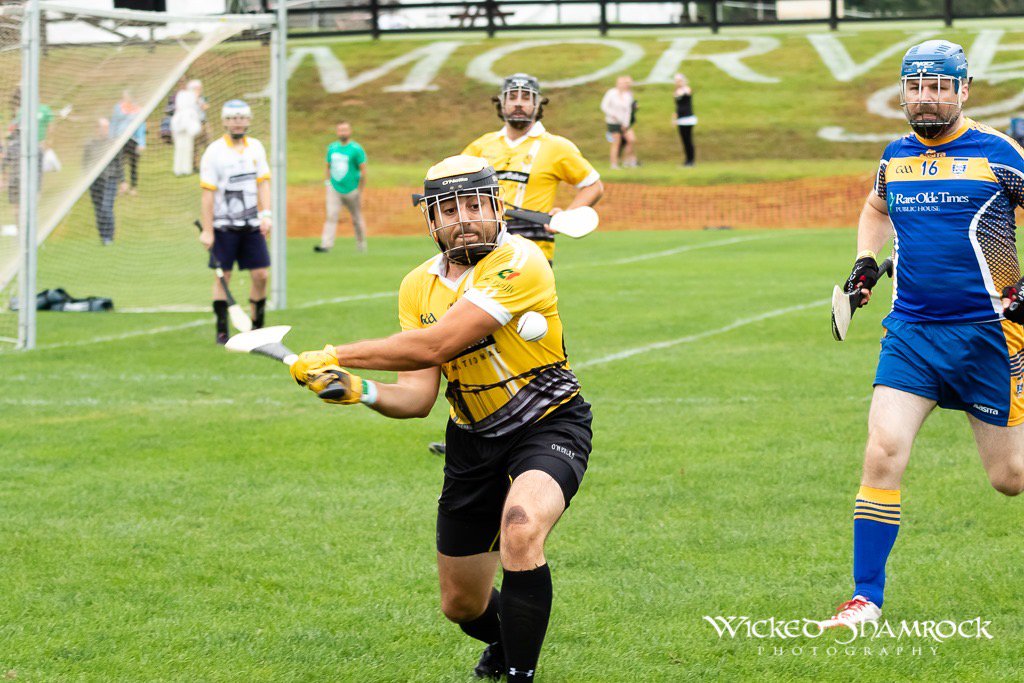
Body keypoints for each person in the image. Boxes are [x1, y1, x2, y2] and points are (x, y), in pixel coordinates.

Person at [288, 155, 593, 682]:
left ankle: (522, 674)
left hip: (548, 422)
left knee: (521, 529)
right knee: (462, 605)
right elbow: (416, 396)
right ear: (431, 220)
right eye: (450, 209)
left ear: (496, 207)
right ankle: (504, 640)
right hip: (472, 441)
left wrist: (336, 352)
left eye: (476, 204)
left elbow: (440, 342)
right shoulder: (416, 287)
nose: (465, 218)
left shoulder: (520, 260)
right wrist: (355, 391)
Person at [820, 39, 1024, 629]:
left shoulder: (999, 154)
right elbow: (876, 208)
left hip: (992, 336)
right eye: (916, 87)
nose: (926, 99)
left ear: (963, 91)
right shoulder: (895, 157)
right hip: (911, 333)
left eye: (939, 88)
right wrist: (864, 261)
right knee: (882, 451)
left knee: (1009, 480)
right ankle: (865, 598)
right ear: (904, 93)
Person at [198, 99, 272, 345]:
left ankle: (257, 326)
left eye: (241, 118)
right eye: (232, 118)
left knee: (261, 275)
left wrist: (266, 215)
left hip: (251, 225)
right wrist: (207, 230)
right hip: (223, 226)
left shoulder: (256, 148)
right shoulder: (214, 152)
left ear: (248, 120)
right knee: (223, 276)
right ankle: (222, 330)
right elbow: (208, 194)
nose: (237, 122)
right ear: (224, 121)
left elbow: (263, 183)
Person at [315, 121, 368, 253]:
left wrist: (360, 190)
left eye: (345, 130)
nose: (343, 132)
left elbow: (363, 170)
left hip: (352, 188)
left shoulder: (356, 149)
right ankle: (326, 245)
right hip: (334, 188)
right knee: (331, 216)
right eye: (340, 130)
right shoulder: (332, 148)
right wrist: (328, 183)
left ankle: (361, 244)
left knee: (356, 218)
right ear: (337, 132)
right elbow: (328, 166)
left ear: (349, 131)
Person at [83, 118, 122, 245]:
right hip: (95, 181)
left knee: (106, 207)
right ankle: (103, 237)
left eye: (107, 128)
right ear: (97, 129)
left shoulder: (112, 143)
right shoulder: (90, 144)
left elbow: (119, 163)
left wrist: (123, 181)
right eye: (103, 128)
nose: (105, 130)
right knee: (98, 209)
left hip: (110, 179)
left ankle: (109, 236)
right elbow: (85, 163)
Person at [109, 90, 146, 195]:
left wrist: (142, 143)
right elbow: (114, 122)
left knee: (133, 163)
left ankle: (133, 187)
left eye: (127, 97)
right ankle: (122, 184)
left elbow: (141, 126)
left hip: (133, 139)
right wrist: (112, 137)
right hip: (119, 139)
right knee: (119, 162)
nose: (125, 99)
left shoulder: (137, 109)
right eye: (123, 96)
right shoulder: (118, 108)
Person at [600, 75, 636, 170]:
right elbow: (604, 106)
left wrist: (626, 124)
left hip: (623, 123)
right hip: (613, 122)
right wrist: (613, 115)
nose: (623, 85)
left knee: (631, 140)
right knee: (616, 142)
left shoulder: (627, 95)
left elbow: (628, 111)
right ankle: (614, 164)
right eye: (621, 83)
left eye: (624, 83)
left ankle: (626, 161)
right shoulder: (611, 93)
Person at [171, 79, 202, 176]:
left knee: (188, 147)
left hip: (188, 125)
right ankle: (178, 169)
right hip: (180, 124)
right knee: (180, 147)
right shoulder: (183, 95)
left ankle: (186, 169)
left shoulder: (192, 96)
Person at [673, 73, 696, 166]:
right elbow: (677, 107)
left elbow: (686, 94)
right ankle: (687, 160)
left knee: (688, 140)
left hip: (688, 118)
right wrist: (674, 118)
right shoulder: (676, 91)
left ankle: (691, 160)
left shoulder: (686, 89)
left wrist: (683, 86)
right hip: (680, 119)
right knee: (684, 141)